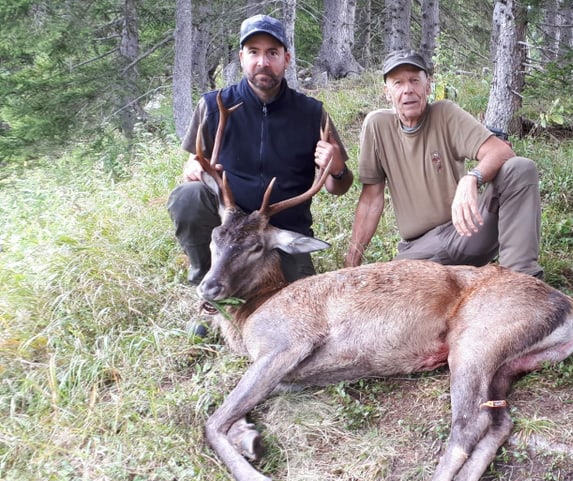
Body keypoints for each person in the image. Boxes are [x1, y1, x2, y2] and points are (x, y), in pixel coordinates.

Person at [168, 14, 353, 285]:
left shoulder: (312, 113)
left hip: (279, 232)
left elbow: (341, 187)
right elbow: (194, 171)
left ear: (286, 60)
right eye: (254, 52)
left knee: (295, 309)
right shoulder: (213, 106)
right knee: (187, 196)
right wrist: (193, 169)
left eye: (272, 53)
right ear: (242, 57)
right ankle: (203, 281)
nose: (262, 62)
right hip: (231, 229)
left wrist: (336, 169)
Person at [345, 50, 544, 278]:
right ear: (387, 92)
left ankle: (521, 283)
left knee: (519, 169)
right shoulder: (377, 125)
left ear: (427, 86)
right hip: (419, 251)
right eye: (398, 83)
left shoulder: (445, 113)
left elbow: (501, 151)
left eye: (414, 80)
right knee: (385, 293)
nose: (407, 89)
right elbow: (371, 199)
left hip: (465, 233)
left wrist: (472, 177)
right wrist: (351, 265)